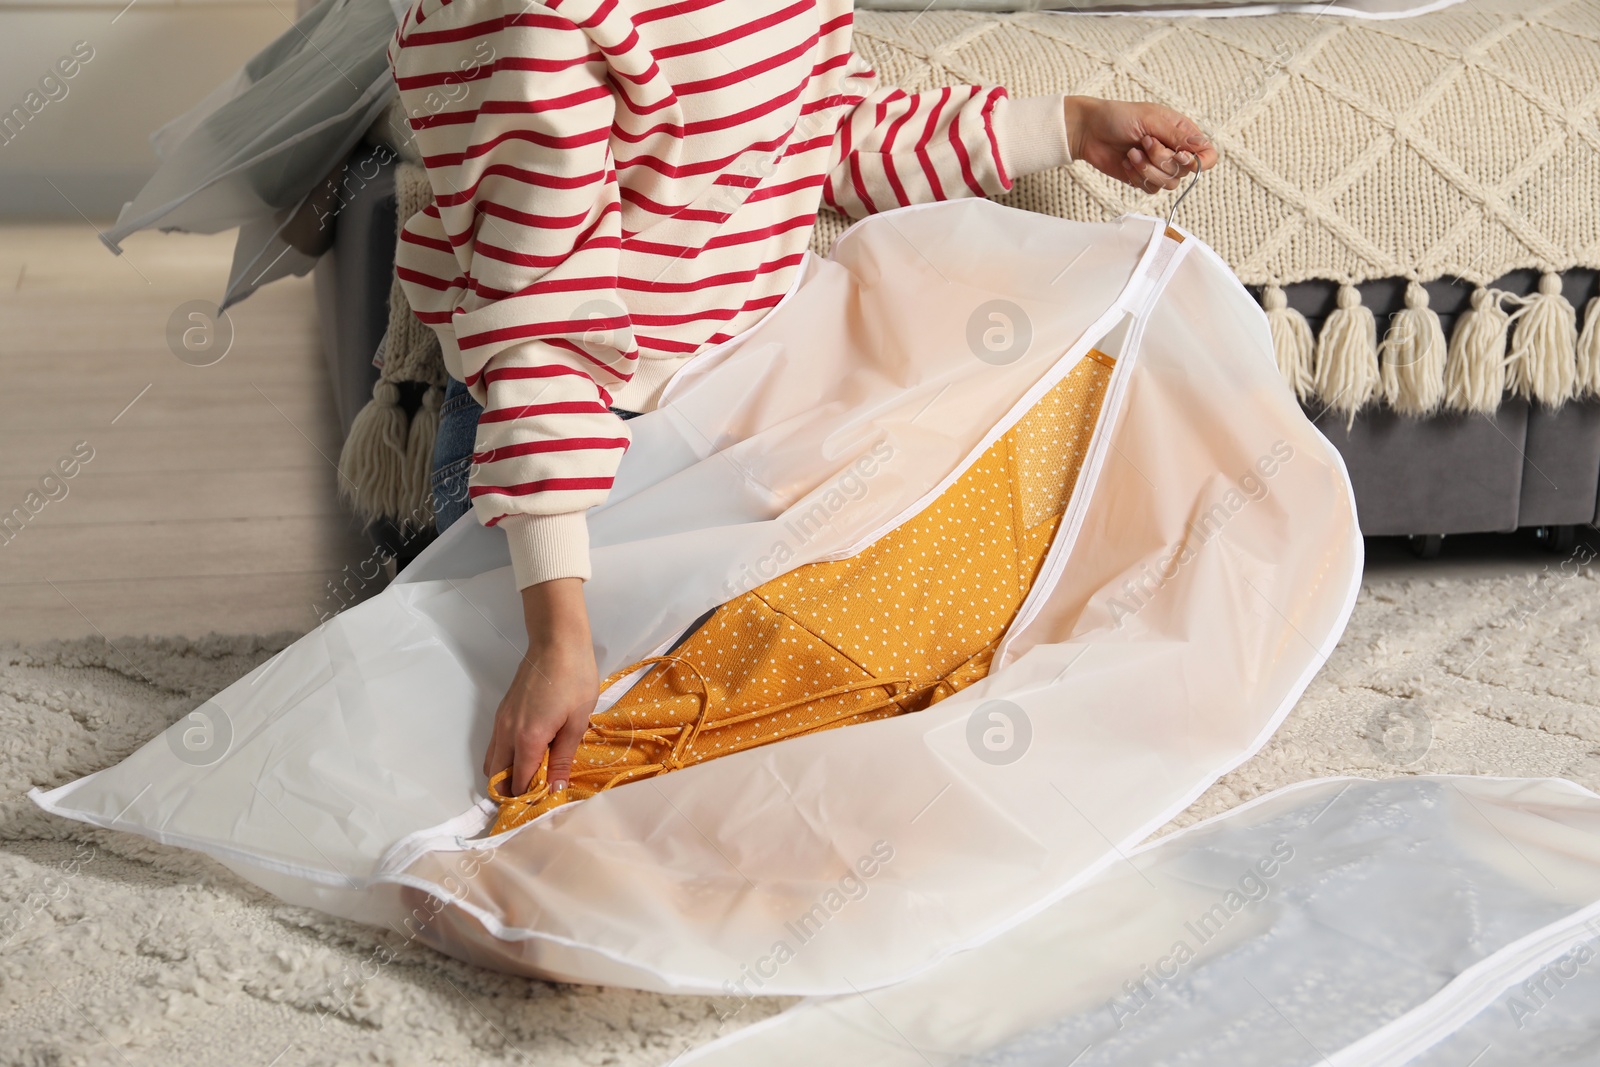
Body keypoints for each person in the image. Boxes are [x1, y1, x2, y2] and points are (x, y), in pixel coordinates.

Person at [387, 0, 1218, 804]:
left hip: (744, 410)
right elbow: (541, 329)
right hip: (579, 468)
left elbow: (832, 134)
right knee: (653, 767)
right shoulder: (534, 18)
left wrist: (1066, 126)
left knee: (1031, 520)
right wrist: (556, 636)